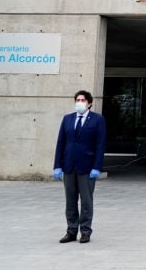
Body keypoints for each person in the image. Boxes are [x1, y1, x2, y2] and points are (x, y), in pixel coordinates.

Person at [53, 90, 107, 244]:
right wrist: (57, 166)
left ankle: (85, 231)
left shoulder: (97, 120)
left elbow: (100, 145)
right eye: (78, 100)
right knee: (70, 201)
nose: (80, 102)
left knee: (86, 201)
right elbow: (61, 143)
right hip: (69, 166)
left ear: (89, 103)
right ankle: (71, 231)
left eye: (83, 100)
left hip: (87, 167)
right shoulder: (67, 119)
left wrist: (97, 166)